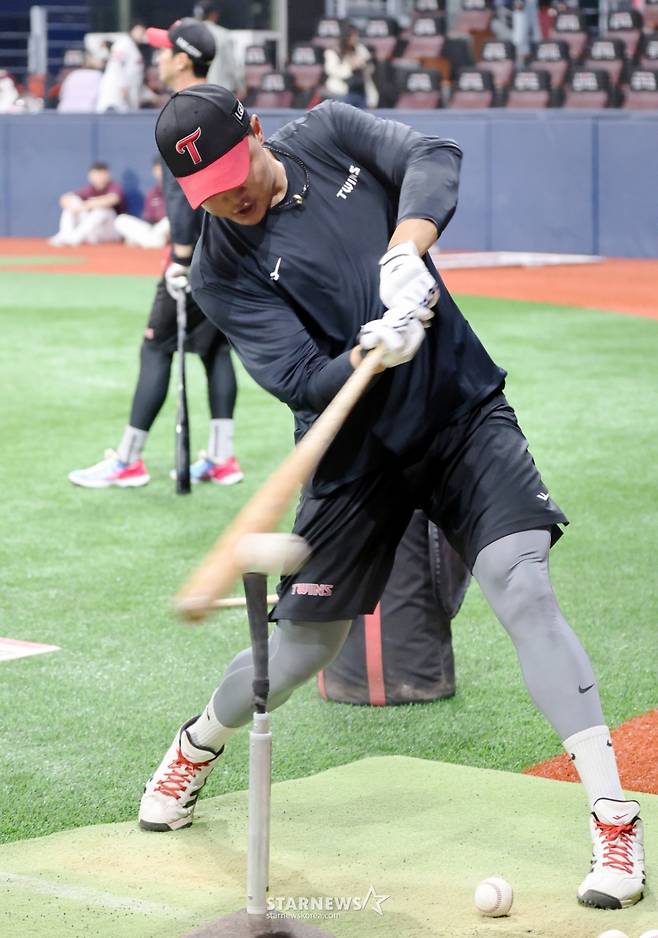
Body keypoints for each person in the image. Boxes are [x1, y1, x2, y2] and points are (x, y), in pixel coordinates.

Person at [139, 87, 646, 915]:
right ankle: (197, 744)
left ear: (257, 133)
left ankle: (614, 819)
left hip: (459, 413)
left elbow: (432, 155)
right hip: (355, 454)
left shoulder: (333, 133)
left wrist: (408, 251)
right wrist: (372, 347)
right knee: (297, 656)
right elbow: (302, 378)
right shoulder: (220, 269)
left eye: (234, 173)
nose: (228, 199)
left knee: (522, 588)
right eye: (208, 194)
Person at [68, 22, 242, 490]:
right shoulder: (221, 102)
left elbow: (180, 193)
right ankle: (223, 458)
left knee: (155, 347)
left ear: (183, 59)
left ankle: (128, 459)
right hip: (228, 253)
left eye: (164, 51)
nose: (157, 58)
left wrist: (181, 259)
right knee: (214, 350)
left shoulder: (180, 110)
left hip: (194, 258)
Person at [49, 162, 125, 247]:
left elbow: (113, 199)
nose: (98, 178)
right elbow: (64, 199)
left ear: (108, 175)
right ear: (90, 176)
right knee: (74, 201)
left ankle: (73, 238)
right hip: (93, 232)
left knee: (103, 210)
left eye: (101, 174)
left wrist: (85, 205)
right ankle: (66, 234)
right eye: (95, 174)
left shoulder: (114, 186)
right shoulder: (89, 189)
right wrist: (72, 205)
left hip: (111, 232)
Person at [114, 157, 170, 248]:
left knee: (168, 221)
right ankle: (153, 241)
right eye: (157, 169)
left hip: (170, 228)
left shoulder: (178, 189)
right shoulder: (152, 193)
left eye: (163, 169)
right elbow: (148, 219)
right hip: (154, 229)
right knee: (120, 220)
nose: (160, 172)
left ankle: (150, 242)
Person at [323, 19, 378, 109]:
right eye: (353, 36)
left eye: (356, 35)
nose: (355, 38)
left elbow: (370, 68)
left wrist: (363, 64)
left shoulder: (359, 48)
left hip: (360, 92)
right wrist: (350, 66)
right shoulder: (333, 51)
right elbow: (331, 71)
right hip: (340, 93)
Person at [193, 0, 243, 94]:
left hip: (197, 92)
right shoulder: (224, 35)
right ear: (214, 14)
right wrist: (241, 87)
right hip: (222, 91)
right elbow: (233, 66)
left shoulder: (191, 35)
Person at [96, 21, 146, 112]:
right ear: (131, 31)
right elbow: (115, 63)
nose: (140, 34)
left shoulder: (134, 49)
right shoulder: (123, 43)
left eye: (142, 32)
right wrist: (122, 85)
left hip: (128, 96)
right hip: (115, 93)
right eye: (138, 31)